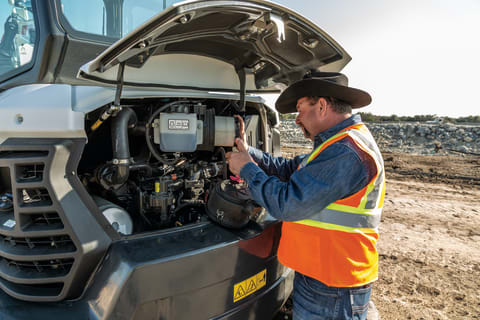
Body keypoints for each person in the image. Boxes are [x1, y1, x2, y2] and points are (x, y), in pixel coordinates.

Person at [226, 72, 385, 320]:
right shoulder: (333, 145)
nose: (297, 119)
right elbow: (288, 169)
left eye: (300, 109)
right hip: (323, 277)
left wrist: (247, 169)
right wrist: (249, 153)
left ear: (321, 105)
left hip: (332, 287)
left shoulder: (346, 151)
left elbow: (287, 204)